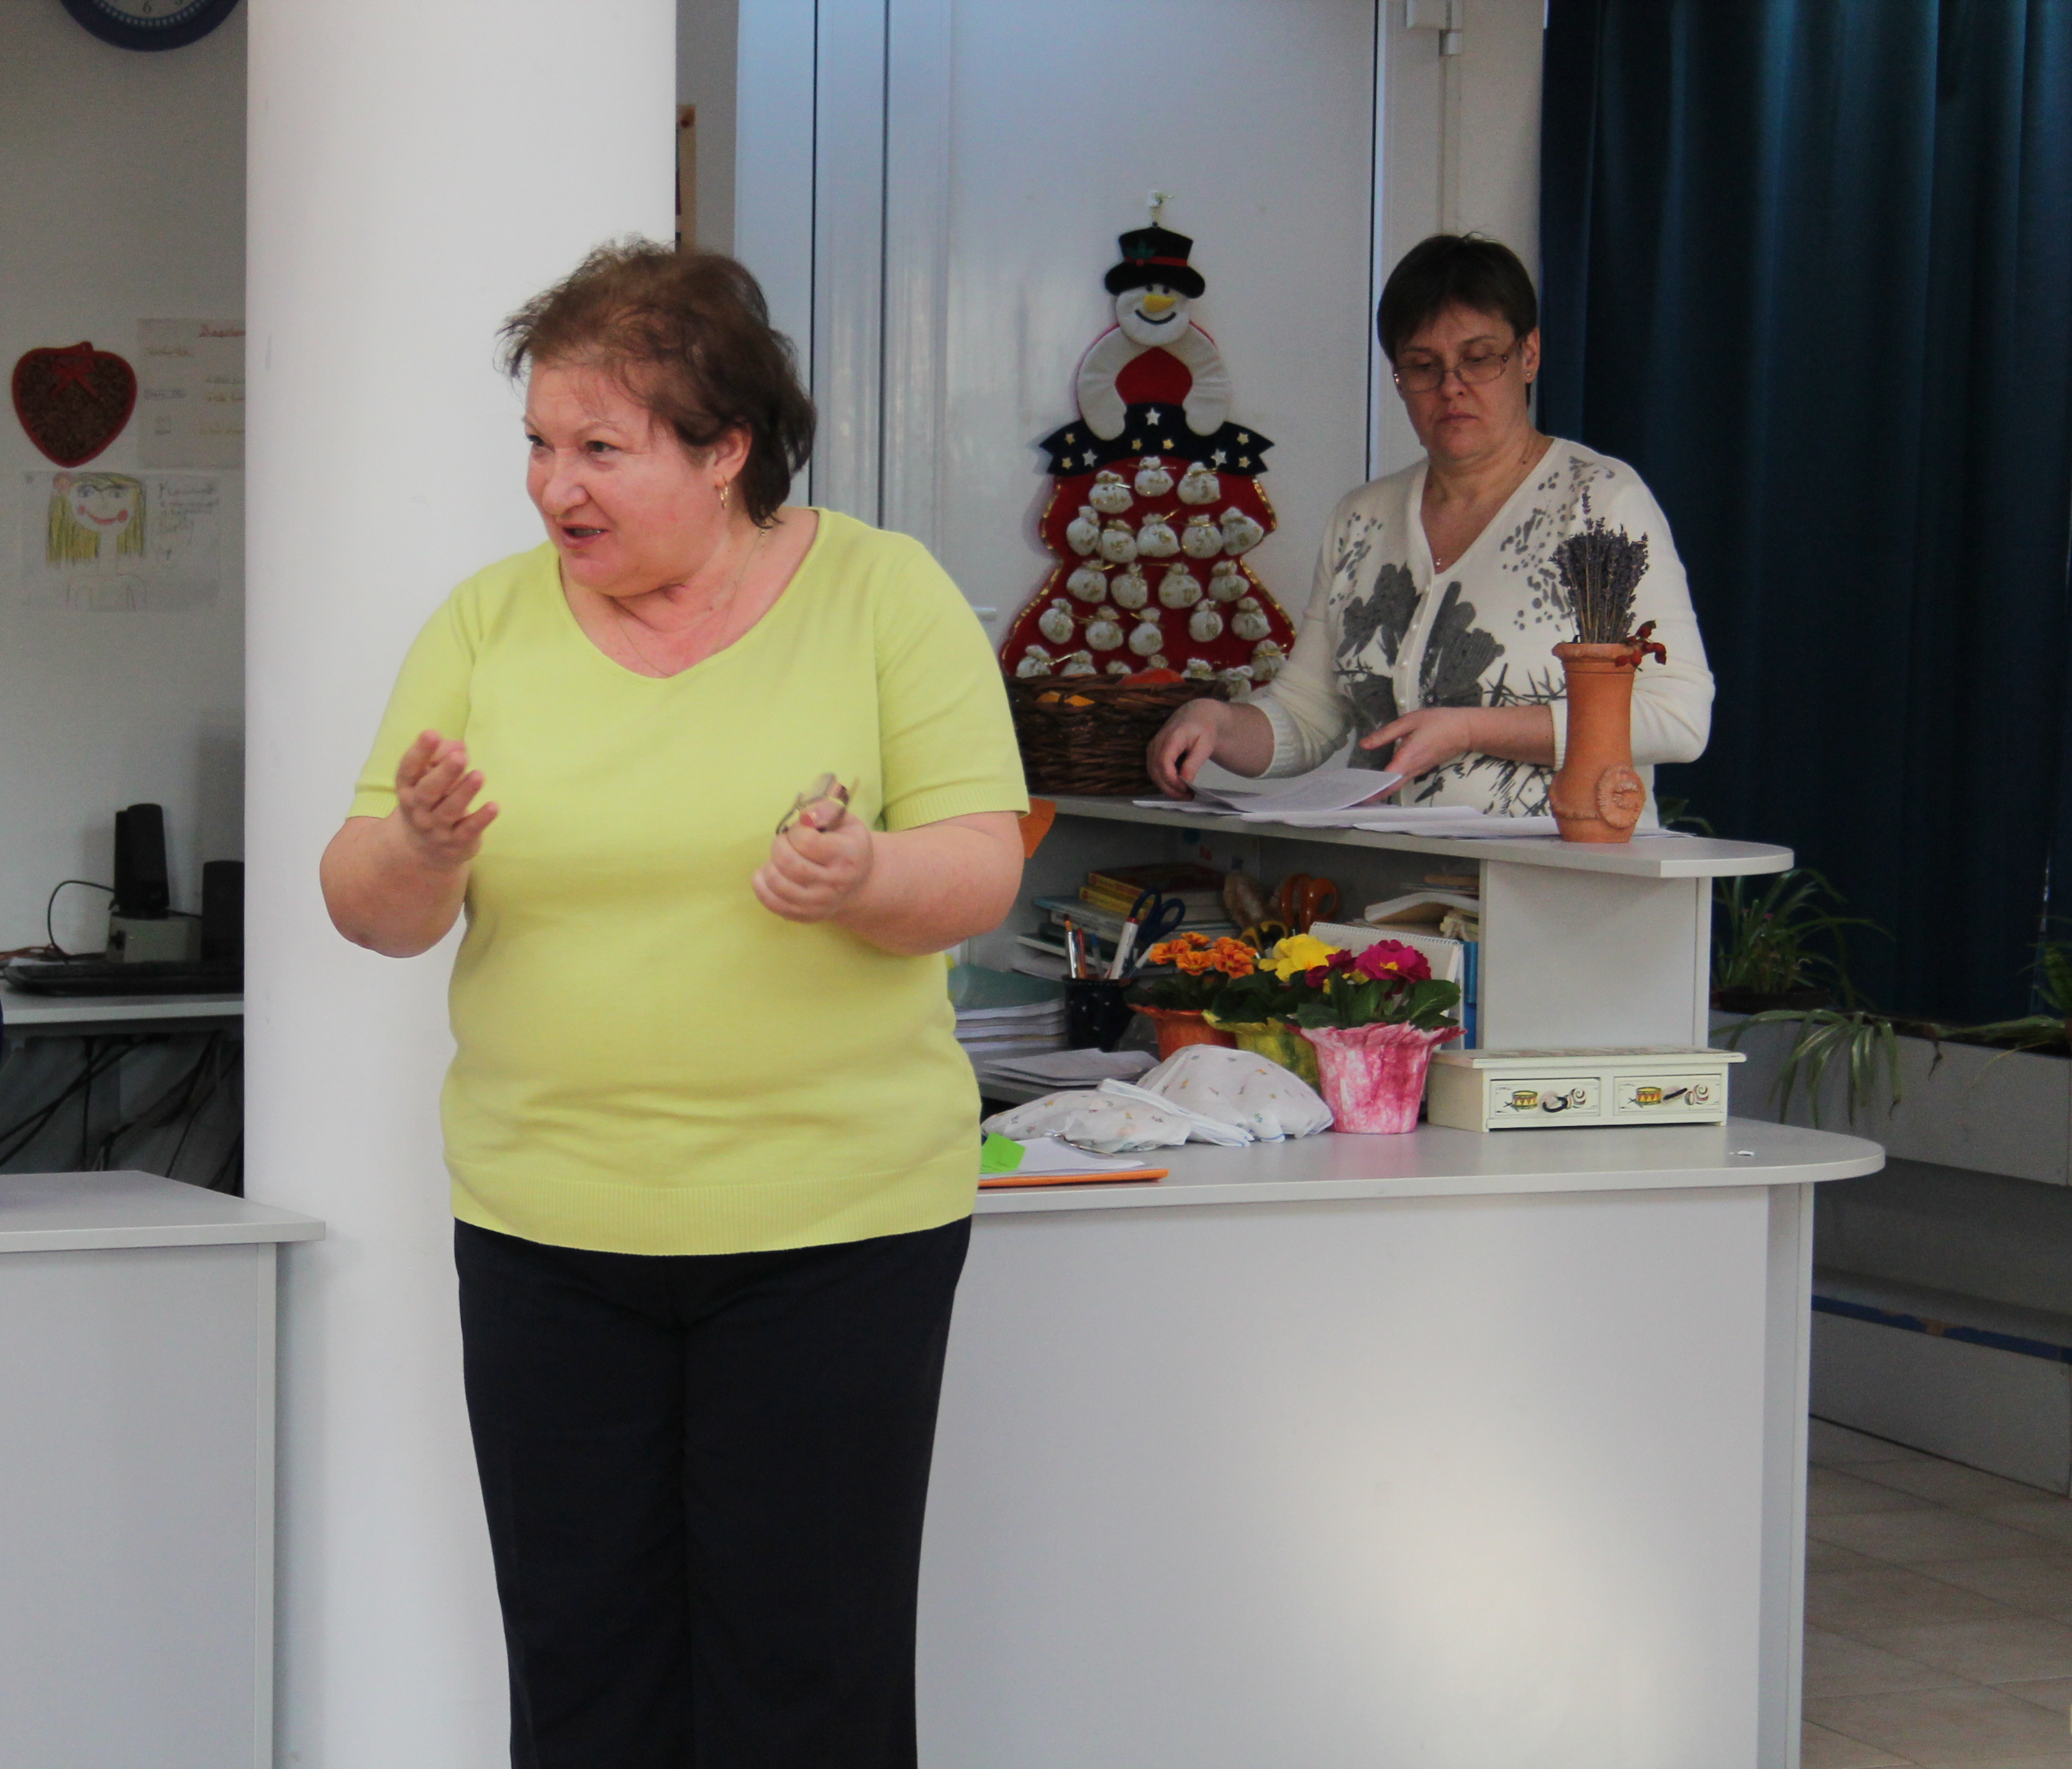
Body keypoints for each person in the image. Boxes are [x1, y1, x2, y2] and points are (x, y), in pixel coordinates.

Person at [319, 240, 1027, 1768]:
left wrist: (866, 874)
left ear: (725, 452)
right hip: (548, 1234)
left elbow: (981, 863)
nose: (551, 486)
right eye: (537, 443)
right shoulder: (486, 622)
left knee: (808, 1686)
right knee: (585, 1682)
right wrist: (421, 845)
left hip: (836, 1234)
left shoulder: (883, 593)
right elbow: (368, 907)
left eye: (598, 448)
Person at [1148, 233, 1714, 812]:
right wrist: (1215, 722)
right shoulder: (1361, 519)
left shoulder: (1600, 504)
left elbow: (1678, 717)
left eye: (1479, 358)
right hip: (1387, 867)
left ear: (1529, 354)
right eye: (1423, 366)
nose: (1451, 387)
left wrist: (1471, 729)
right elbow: (1306, 716)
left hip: (1557, 865)